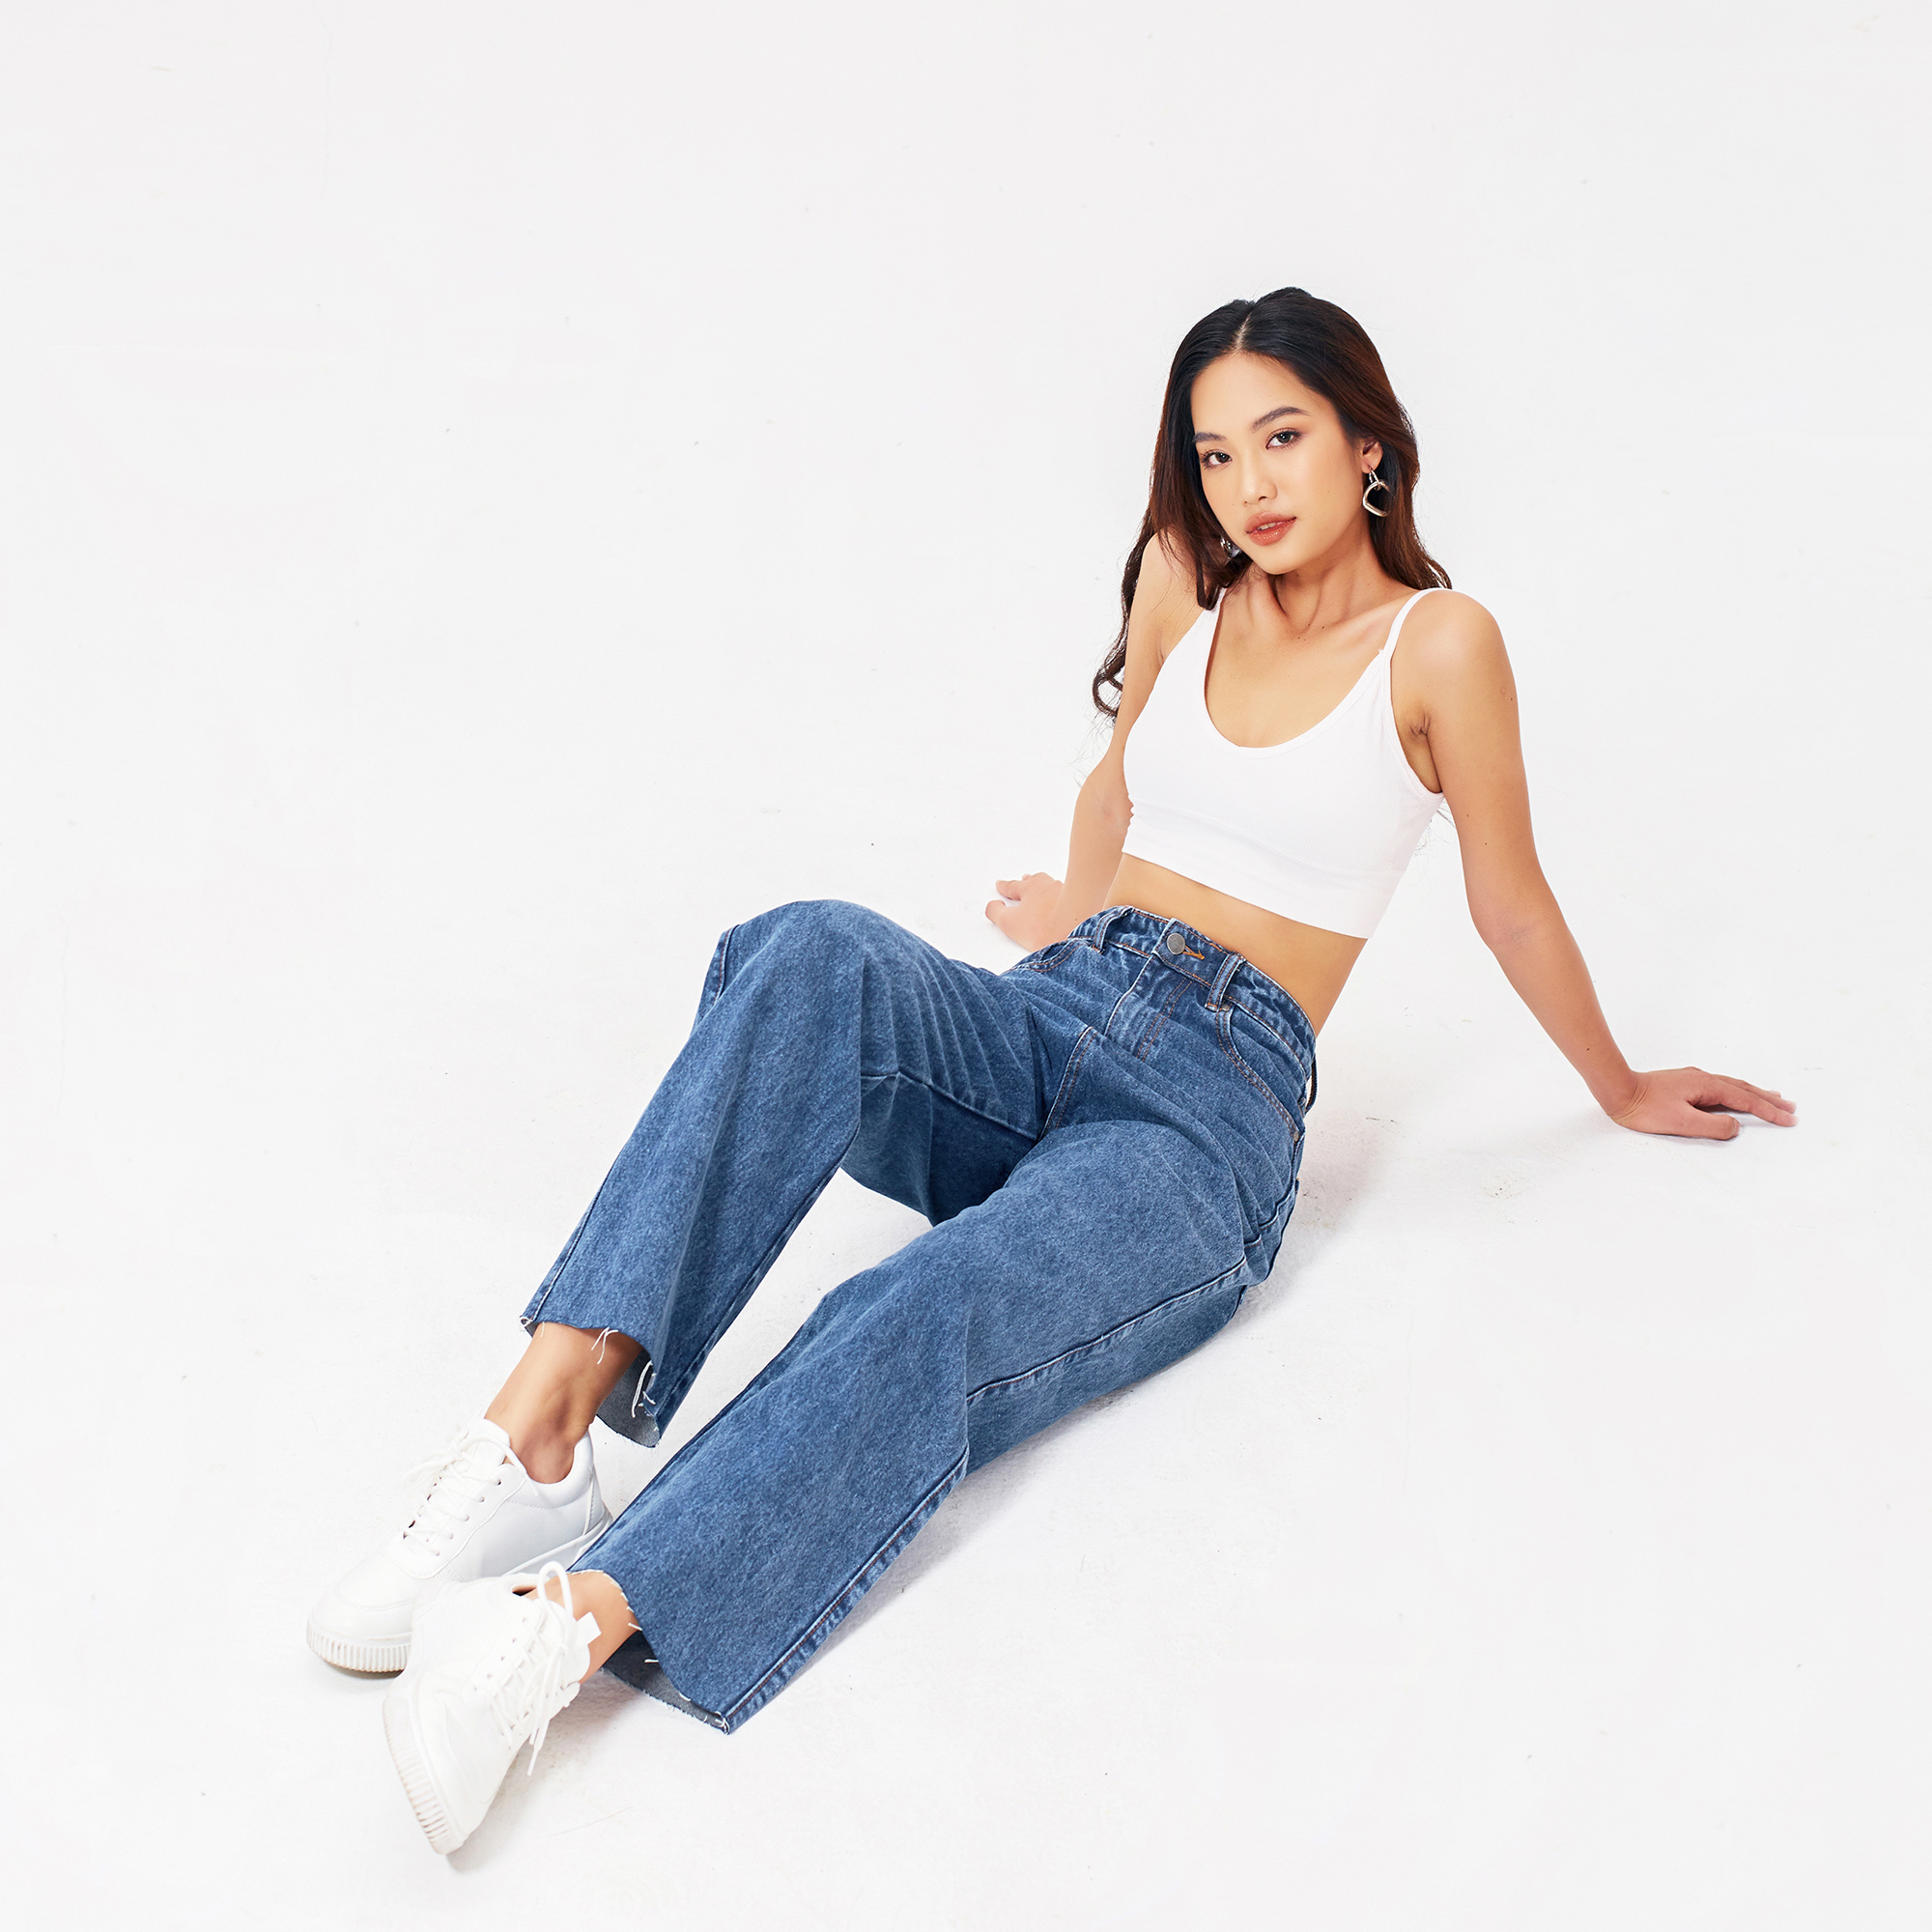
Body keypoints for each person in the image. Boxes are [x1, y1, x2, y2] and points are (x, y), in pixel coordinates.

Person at [310, 286, 1796, 1854]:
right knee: (811, 953)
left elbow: (1511, 899)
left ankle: (563, 1627)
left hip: (1206, 1119)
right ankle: (538, 1438)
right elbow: (1122, 786)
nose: (1249, 485)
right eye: (1215, 454)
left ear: (1369, 444)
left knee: (922, 1297)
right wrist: (1076, 916)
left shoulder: (1439, 643)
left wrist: (1621, 1085)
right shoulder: (1185, 579)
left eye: (1283, 438)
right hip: (1056, 1006)